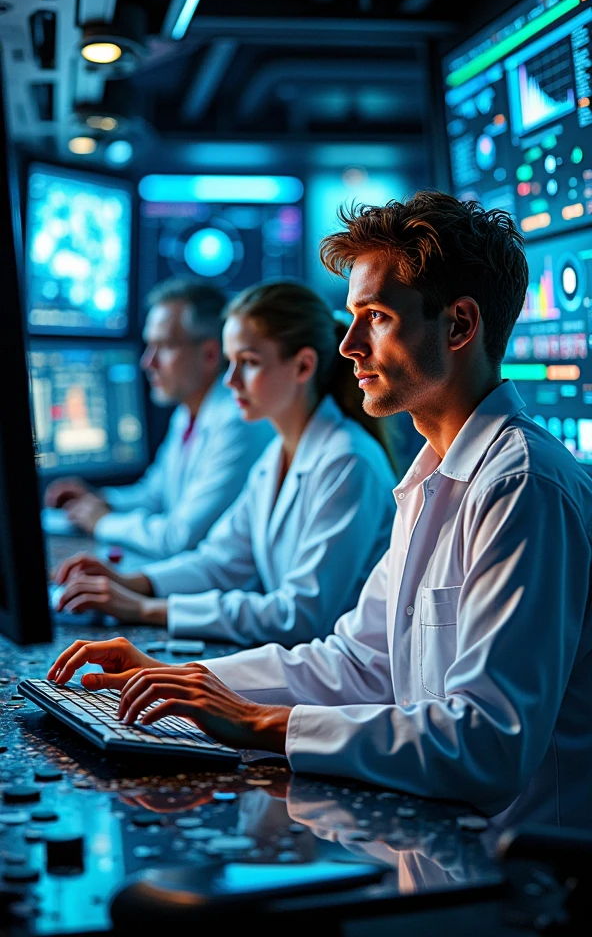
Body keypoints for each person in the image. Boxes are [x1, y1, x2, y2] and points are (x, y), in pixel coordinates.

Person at [49, 192, 592, 830]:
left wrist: (259, 722)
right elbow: (357, 663)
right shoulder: (432, 478)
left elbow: (486, 745)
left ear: (459, 325)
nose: (350, 345)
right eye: (352, 316)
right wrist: (181, 679)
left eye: (377, 317)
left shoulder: (523, 486)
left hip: (518, 882)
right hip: (440, 838)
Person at [51, 282, 397, 646]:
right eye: (232, 363)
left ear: (303, 366)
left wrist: (144, 609)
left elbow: (299, 616)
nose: (230, 381)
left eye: (248, 363)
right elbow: (220, 561)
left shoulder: (348, 461)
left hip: (346, 684)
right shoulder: (278, 455)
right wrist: (129, 582)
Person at [45, 278, 272, 559]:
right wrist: (99, 500)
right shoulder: (188, 414)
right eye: (149, 345)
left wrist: (102, 521)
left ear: (210, 354)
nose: (147, 362)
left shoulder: (237, 422)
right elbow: (154, 495)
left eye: (163, 346)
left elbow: (180, 537)